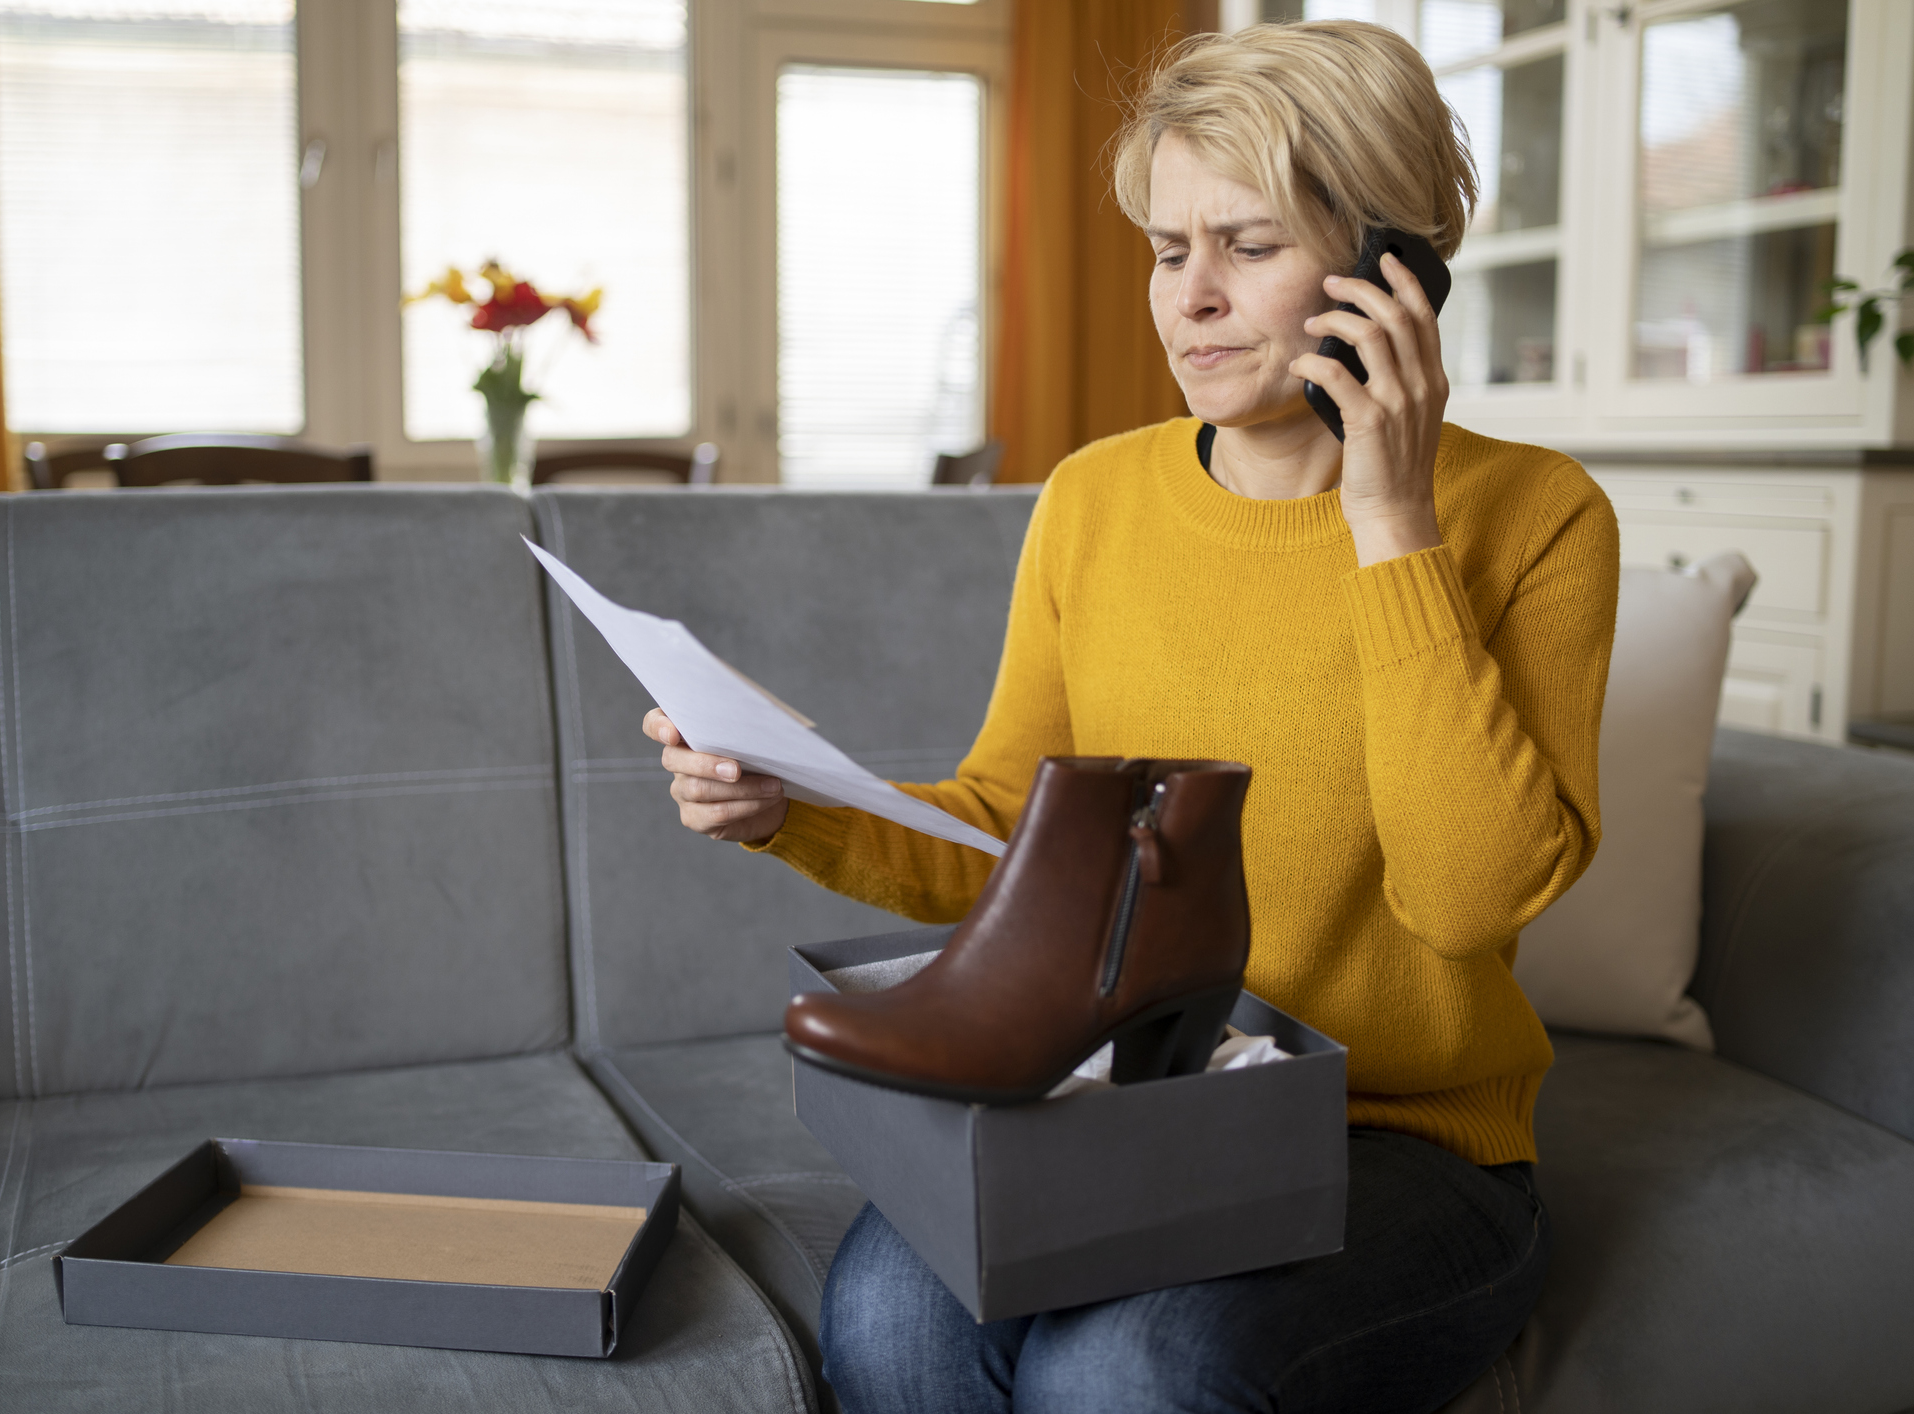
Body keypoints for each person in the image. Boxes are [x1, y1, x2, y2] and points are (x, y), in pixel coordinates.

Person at [644, 19, 1618, 1414]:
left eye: (1249, 244)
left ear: (1391, 272)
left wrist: (1392, 525)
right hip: (1129, 1106)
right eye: (1170, 250)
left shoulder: (1538, 518)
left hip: (1408, 1142)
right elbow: (1010, 840)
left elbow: (1466, 899)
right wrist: (798, 795)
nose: (1190, 299)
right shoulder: (1093, 499)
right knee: (888, 1320)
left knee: (1129, 1366)